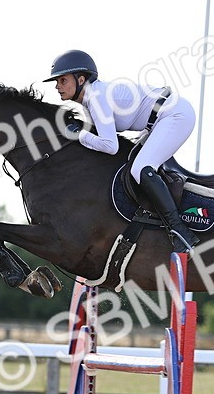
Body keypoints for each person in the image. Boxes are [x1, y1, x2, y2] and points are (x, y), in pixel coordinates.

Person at [44, 50, 200, 253]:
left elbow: (110, 146)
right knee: (133, 164)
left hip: (175, 115)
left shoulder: (97, 98)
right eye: (57, 81)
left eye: (62, 80)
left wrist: (79, 135)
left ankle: (179, 230)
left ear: (81, 79)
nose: (57, 86)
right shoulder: (90, 100)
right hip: (160, 119)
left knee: (141, 168)